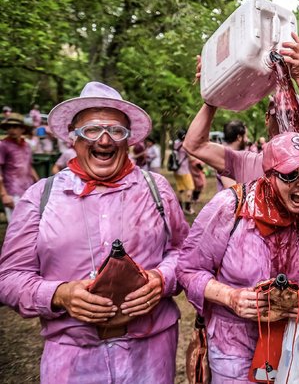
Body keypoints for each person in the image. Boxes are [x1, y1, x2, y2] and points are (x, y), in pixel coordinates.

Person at [0, 81, 189, 383]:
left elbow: (185, 253)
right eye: (91, 130)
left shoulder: (158, 189)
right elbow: (9, 278)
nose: (104, 140)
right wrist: (60, 294)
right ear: (73, 139)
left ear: (128, 140)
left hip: (151, 355)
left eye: (116, 131)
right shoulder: (40, 197)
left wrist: (161, 279)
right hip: (73, 358)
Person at [177, 132, 299, 383]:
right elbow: (188, 269)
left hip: (292, 338)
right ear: (268, 176)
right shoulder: (230, 207)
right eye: (290, 175)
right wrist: (231, 297)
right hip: (234, 344)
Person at [183, 33, 299, 185]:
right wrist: (214, 93)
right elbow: (195, 145)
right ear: (267, 119)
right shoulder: (246, 163)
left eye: (293, 113)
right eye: (277, 113)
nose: (285, 118)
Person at [0, 113, 38, 222]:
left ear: (22, 129)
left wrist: (39, 185)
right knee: (15, 225)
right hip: (12, 191)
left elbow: (29, 166)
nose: (12, 130)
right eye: (9, 127)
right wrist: (4, 195)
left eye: (15, 127)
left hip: (28, 190)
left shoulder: (26, 145)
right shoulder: (3, 145)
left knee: (29, 223)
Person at [216, 119, 248, 190]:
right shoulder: (227, 157)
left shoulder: (228, 154)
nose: (247, 140)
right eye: (246, 136)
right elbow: (233, 189)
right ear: (239, 137)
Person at [173, 129, 195, 215]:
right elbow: (191, 158)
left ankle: (180, 208)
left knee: (181, 189)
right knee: (190, 188)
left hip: (176, 171)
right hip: (185, 171)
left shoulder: (176, 144)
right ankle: (188, 208)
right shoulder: (185, 145)